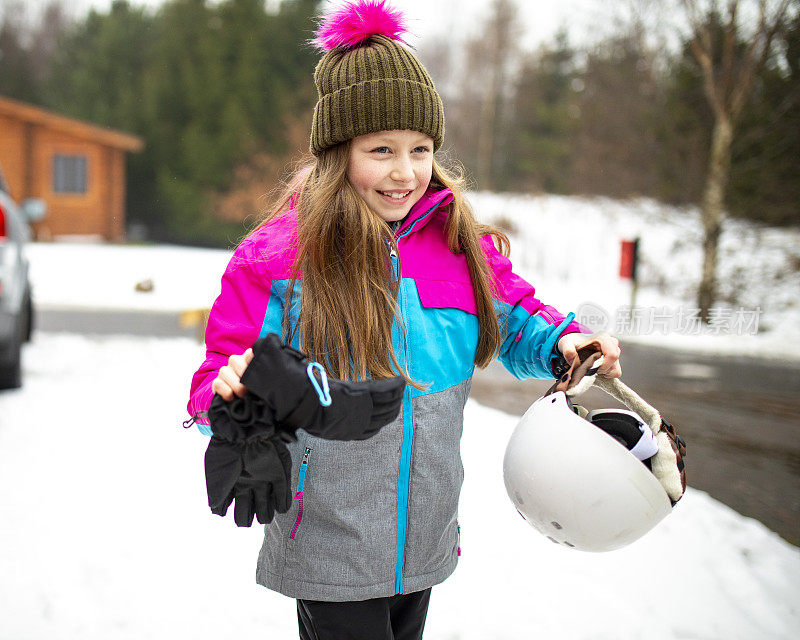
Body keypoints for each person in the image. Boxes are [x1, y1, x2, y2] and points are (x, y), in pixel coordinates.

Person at [186, 1, 621, 638]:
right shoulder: (276, 258)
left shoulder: (457, 244)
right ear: (339, 154)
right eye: (382, 149)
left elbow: (520, 318)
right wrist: (235, 404)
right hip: (327, 537)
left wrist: (566, 343)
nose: (405, 171)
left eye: (420, 149)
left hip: (424, 535)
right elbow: (217, 378)